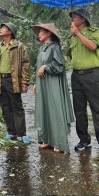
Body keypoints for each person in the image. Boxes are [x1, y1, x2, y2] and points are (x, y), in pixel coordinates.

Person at [67, 8, 99, 153]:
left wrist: (78, 34)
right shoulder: (71, 37)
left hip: (92, 75)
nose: (71, 19)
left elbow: (92, 47)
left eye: (74, 16)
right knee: (79, 110)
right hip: (76, 76)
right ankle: (83, 139)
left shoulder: (94, 32)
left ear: (83, 19)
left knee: (97, 108)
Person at [32, 23, 74, 154]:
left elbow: (60, 66)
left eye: (41, 31)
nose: (38, 33)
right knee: (44, 109)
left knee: (55, 109)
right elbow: (37, 66)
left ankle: (59, 142)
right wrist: (35, 82)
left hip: (53, 83)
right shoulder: (42, 48)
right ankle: (48, 140)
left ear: (48, 33)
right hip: (43, 84)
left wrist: (46, 67)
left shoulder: (55, 47)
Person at [0, 22, 32, 144]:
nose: (1, 29)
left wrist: (25, 81)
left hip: (13, 80)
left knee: (17, 106)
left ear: (10, 31)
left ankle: (22, 134)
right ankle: (11, 132)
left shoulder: (19, 46)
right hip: (0, 79)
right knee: (5, 107)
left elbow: (25, 64)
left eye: (4, 28)